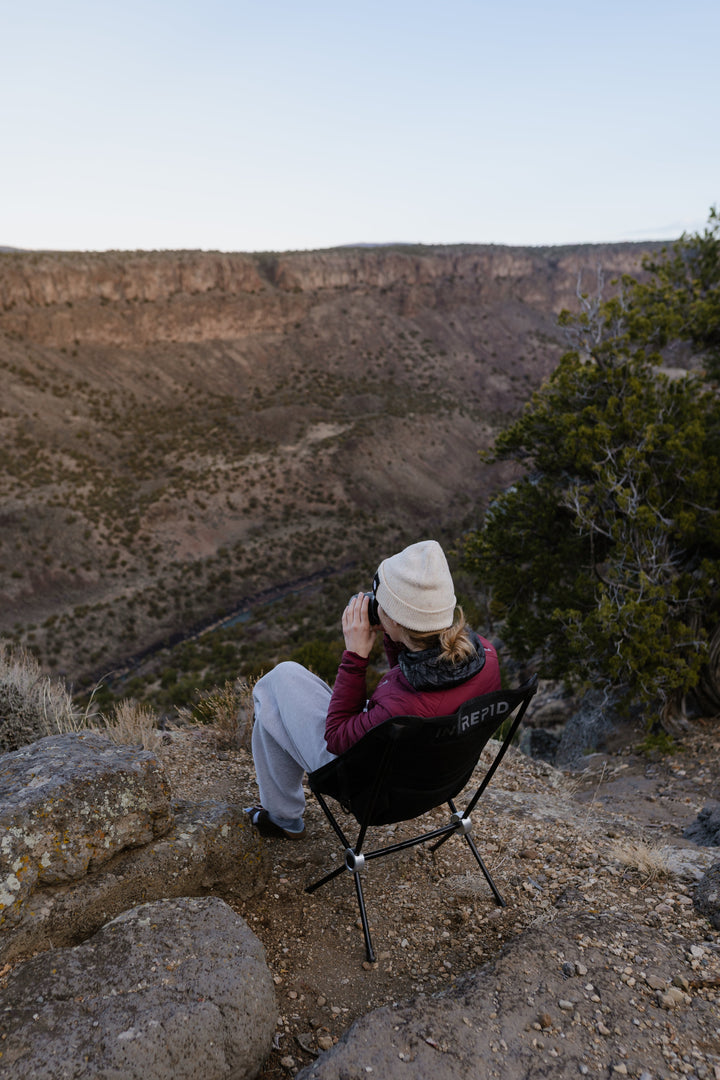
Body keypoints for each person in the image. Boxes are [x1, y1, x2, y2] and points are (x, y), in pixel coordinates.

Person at [246, 539, 501, 839]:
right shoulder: (485, 655)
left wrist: (355, 657)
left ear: (394, 618)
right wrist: (397, 635)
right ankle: (280, 816)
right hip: (435, 778)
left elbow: (337, 738)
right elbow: (408, 678)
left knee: (276, 684)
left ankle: (282, 819)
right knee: (275, 707)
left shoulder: (399, 706)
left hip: (374, 791)